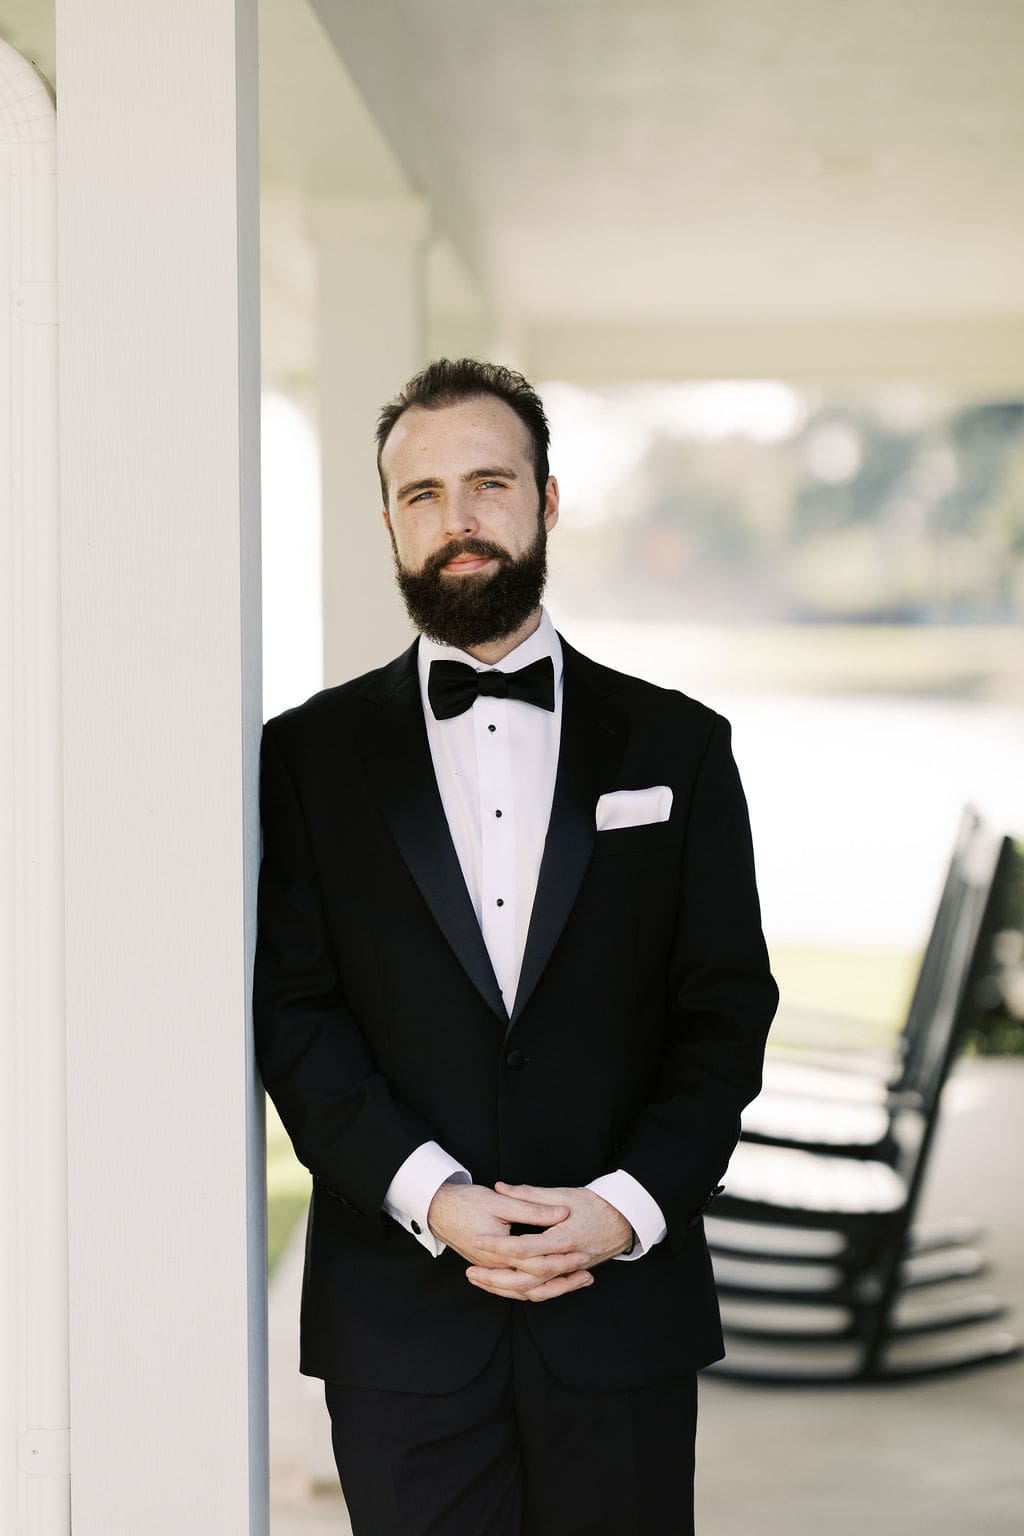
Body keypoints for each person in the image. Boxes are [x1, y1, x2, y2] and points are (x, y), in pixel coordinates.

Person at [253, 358, 779, 1535]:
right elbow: (294, 1012)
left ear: (546, 500)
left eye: (488, 484)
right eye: (421, 493)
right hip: (400, 1318)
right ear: (388, 521)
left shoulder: (680, 746)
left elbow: (724, 1010)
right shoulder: (303, 757)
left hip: (621, 1307)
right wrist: (432, 1197)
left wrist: (630, 1203)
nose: (457, 521)